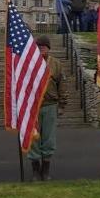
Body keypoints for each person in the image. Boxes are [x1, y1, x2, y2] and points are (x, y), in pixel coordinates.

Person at [27, 35, 66, 180]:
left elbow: (62, 85)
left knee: (49, 139)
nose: (41, 48)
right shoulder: (29, 63)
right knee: (34, 138)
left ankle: (46, 170)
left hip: (50, 105)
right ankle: (36, 170)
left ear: (49, 48)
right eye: (39, 46)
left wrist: (62, 104)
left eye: (44, 46)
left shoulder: (56, 63)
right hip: (33, 106)